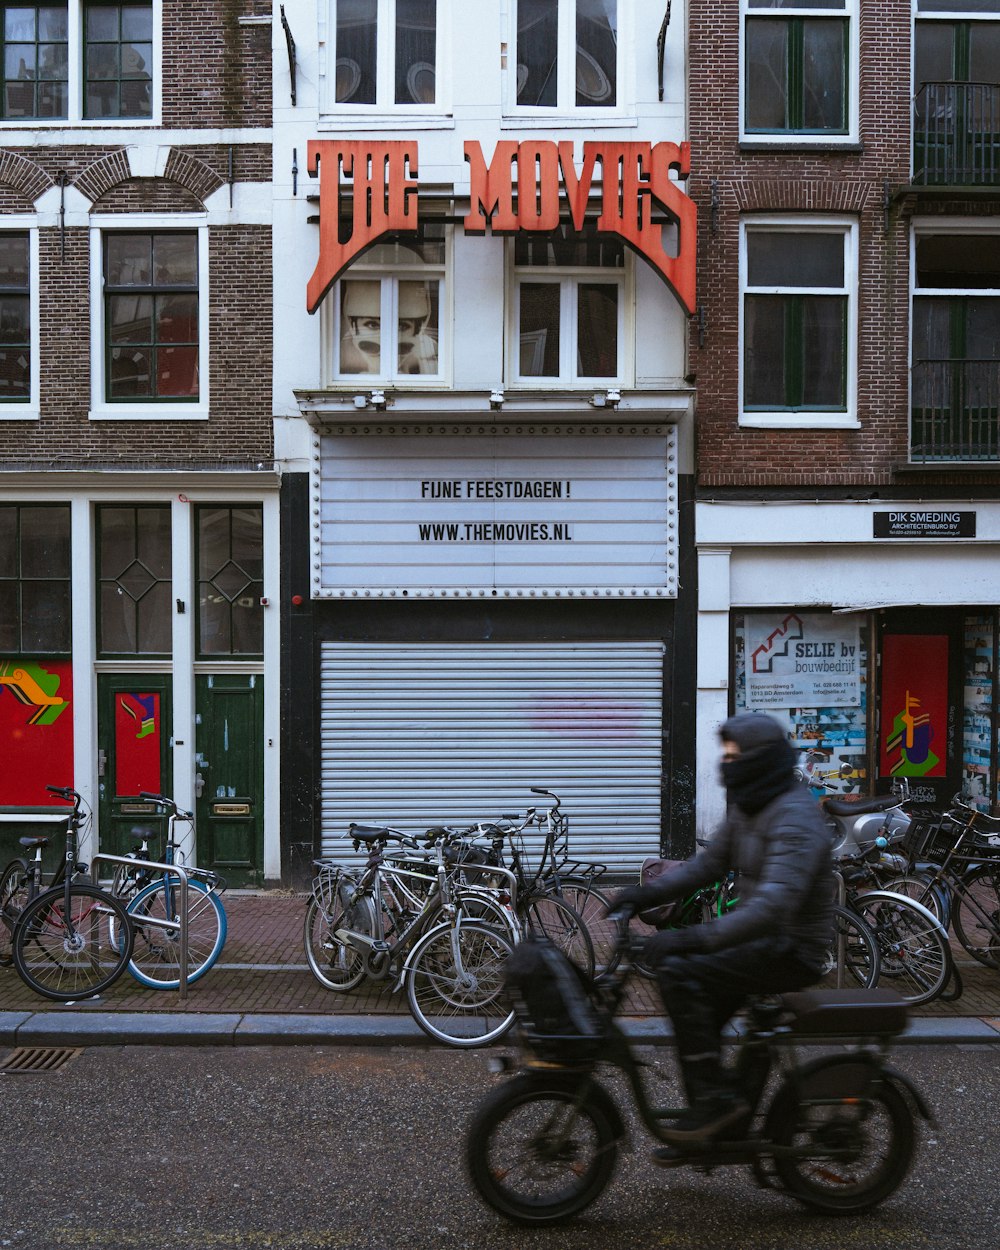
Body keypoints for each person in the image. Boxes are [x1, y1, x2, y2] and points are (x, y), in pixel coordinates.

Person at [610, 712, 834, 1157]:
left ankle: (716, 1106)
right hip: (761, 940)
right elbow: (708, 867)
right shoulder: (752, 805)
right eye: (725, 755)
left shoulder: (794, 818)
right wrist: (643, 894)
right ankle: (713, 1118)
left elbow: (773, 906)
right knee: (693, 1004)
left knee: (682, 975)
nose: (727, 764)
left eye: (735, 756)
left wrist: (691, 938)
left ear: (761, 760)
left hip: (792, 948)